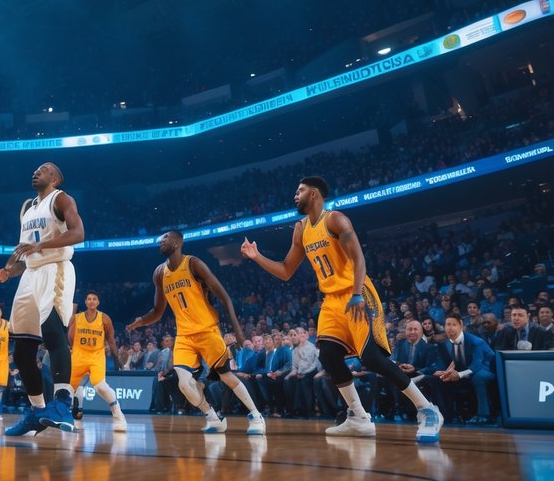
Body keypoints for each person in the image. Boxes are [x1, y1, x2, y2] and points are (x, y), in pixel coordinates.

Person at [241, 176, 443, 442]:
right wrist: (257, 257)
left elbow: (359, 258)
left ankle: (427, 409)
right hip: (331, 300)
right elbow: (286, 271)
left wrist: (357, 294)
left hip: (357, 293)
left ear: (313, 194)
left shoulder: (336, 219)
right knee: (329, 357)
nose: (295, 196)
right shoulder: (300, 229)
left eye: (299, 191)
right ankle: (358, 417)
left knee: (370, 358)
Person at [0, 162, 86, 437]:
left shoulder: (60, 199)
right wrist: (6, 271)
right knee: (23, 352)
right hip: (30, 275)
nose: (36, 171)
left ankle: (63, 405)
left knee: (53, 334)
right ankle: (38, 411)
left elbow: (78, 234)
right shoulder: (27, 208)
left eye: (44, 169)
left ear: (56, 178)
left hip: (55, 268)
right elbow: (22, 252)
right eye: (35, 169)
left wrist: (42, 246)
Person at [127, 231, 264, 434]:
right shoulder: (159, 273)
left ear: (177, 243)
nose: (160, 241)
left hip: (207, 329)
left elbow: (225, 297)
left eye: (165, 238)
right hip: (184, 336)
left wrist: (238, 331)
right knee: (184, 384)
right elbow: (157, 311)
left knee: (227, 376)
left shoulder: (193, 264)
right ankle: (213, 417)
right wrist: (140, 322)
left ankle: (256, 416)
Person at [68, 292, 128, 431]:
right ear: (85, 302)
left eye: (94, 299)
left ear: (98, 302)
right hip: (79, 356)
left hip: (96, 356)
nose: (91, 301)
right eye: (89, 299)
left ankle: (118, 415)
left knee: (100, 385)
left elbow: (111, 340)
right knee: (68, 388)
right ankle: (65, 417)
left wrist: (115, 358)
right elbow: (70, 338)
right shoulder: (76, 318)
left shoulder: (105, 318)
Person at [428, 314, 496, 423]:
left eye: (454, 324)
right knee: (441, 379)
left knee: (478, 378)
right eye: (448, 324)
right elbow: (455, 361)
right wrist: (446, 372)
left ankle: (484, 415)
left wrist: (459, 374)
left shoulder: (475, 342)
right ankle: (448, 414)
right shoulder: (447, 343)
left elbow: (476, 365)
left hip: (487, 368)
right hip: (469, 369)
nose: (450, 328)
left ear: (461, 326)